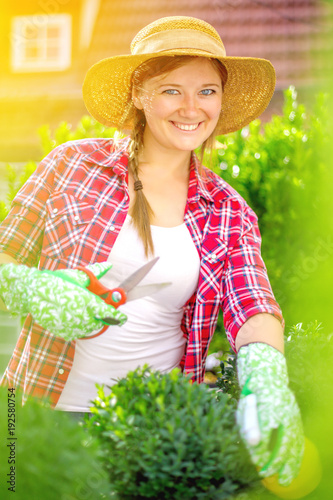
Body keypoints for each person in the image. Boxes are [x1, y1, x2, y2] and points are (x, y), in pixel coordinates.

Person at [0, 16, 303, 485]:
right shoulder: (70, 165)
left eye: (207, 91)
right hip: (35, 413)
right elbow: (6, 253)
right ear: (140, 95)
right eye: (170, 90)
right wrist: (26, 286)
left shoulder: (227, 209)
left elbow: (252, 304)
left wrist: (266, 372)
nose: (191, 108)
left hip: (152, 429)